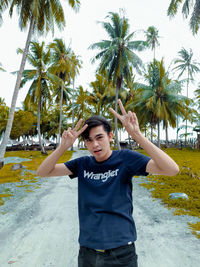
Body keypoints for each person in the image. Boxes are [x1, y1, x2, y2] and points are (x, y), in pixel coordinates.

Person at [37, 99, 179, 267]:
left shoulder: (126, 159)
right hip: (88, 251)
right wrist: (62, 147)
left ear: (110, 136)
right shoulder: (82, 164)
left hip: (121, 252)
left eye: (99, 137)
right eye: (89, 140)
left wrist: (137, 136)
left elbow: (172, 169)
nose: (95, 144)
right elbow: (42, 172)